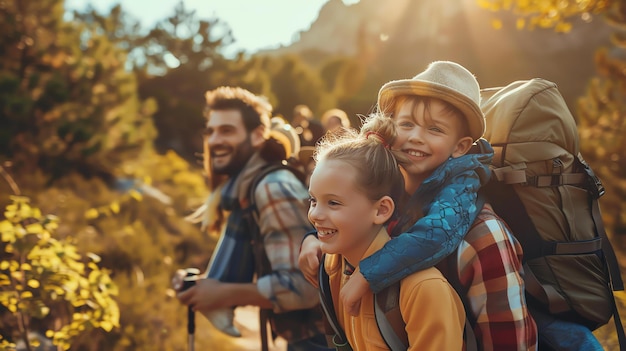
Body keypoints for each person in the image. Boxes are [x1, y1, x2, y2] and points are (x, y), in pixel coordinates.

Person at [299, 61, 537, 350]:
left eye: (435, 129)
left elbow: (510, 341)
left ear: (460, 147)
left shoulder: (482, 236)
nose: (415, 137)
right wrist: (315, 240)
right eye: (406, 124)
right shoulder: (381, 206)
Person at [176, 86, 331, 351]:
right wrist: (203, 287)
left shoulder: (272, 188)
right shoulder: (251, 186)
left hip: (320, 340)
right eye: (211, 131)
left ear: (258, 135)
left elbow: (305, 287)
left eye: (227, 130)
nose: (214, 141)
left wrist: (223, 294)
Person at [309, 112, 466, 350]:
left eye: (333, 203)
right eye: (313, 201)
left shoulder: (422, 289)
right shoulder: (333, 267)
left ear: (382, 210)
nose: (315, 215)